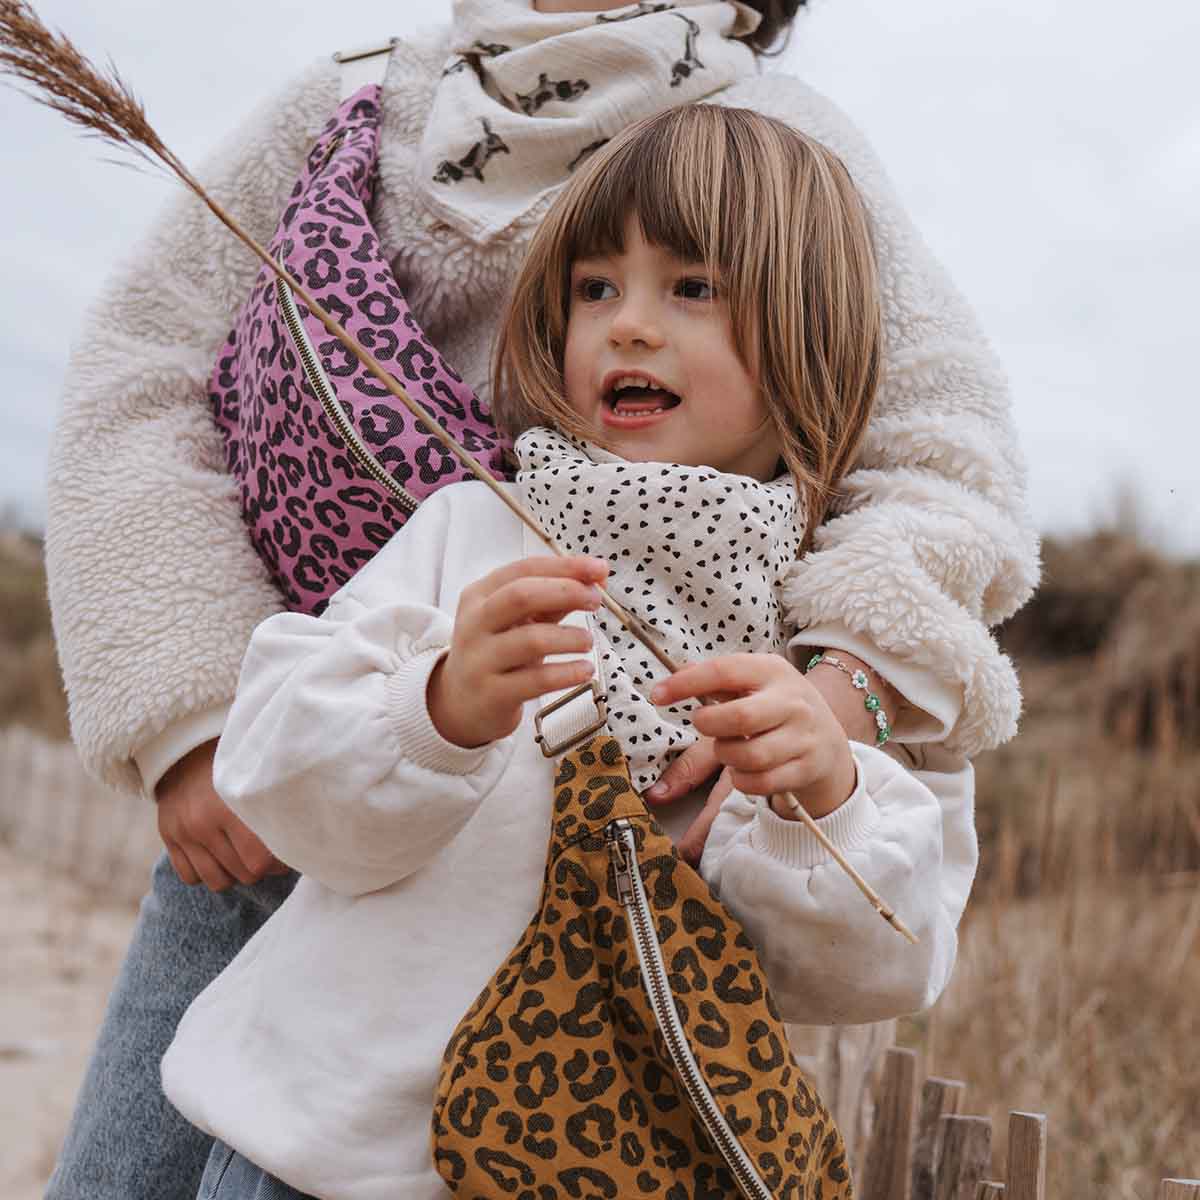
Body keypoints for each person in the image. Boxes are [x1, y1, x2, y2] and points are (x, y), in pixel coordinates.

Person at [43, 2, 1035, 1197]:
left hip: (632, 843)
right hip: (311, 755)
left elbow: (942, 446)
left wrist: (833, 704)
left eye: (693, 288)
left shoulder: (780, 144)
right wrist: (191, 712)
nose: (628, 324)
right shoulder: (353, 105)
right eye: (595, 288)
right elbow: (142, 375)